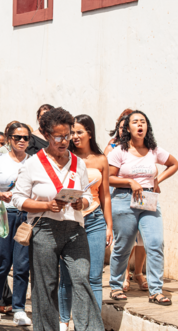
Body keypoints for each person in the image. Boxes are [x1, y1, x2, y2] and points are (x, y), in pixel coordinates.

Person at [12, 107, 103, 331]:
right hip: (44, 228)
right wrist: (46, 205)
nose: (64, 141)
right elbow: (17, 199)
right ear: (45, 134)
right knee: (45, 285)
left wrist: (80, 203)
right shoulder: (33, 164)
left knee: (82, 278)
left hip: (74, 228)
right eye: (58, 137)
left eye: (68, 135)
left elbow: (88, 199)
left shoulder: (78, 163)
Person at [108, 110, 178, 306]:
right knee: (124, 245)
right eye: (135, 122)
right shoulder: (119, 151)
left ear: (147, 127)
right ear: (128, 128)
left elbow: (174, 164)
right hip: (124, 198)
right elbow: (109, 178)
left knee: (156, 243)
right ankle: (115, 286)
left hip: (148, 198)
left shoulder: (154, 149)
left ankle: (156, 291)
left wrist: (157, 180)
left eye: (143, 122)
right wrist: (130, 183)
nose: (140, 125)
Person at [59, 115, 113, 330]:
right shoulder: (65, 157)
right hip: (70, 221)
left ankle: (93, 325)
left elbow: (106, 195)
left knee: (94, 277)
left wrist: (109, 226)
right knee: (68, 276)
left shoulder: (101, 159)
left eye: (79, 132)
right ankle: (64, 321)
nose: (74, 136)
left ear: (90, 133)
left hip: (95, 221)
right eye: (72, 132)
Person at [104, 109, 145, 292]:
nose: (123, 130)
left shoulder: (144, 145)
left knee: (141, 238)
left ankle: (139, 273)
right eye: (121, 127)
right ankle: (124, 275)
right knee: (125, 237)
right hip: (119, 194)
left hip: (141, 195)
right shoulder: (112, 147)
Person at [0, 122, 32, 323]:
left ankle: (19, 307)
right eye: (17, 137)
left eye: (25, 138)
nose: (21, 141)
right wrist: (0, 194)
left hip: (26, 215)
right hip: (4, 214)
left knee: (22, 265)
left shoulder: (34, 162)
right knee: (2, 262)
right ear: (9, 139)